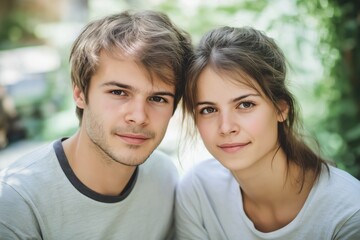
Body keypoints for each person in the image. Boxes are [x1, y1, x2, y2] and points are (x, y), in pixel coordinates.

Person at [0, 10, 192, 239]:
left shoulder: (165, 177)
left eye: (158, 98)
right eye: (119, 92)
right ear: (80, 94)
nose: (139, 116)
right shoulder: (17, 200)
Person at [175, 26, 360, 240]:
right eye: (208, 110)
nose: (226, 127)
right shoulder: (199, 192)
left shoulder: (348, 212)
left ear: (281, 108)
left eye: (245, 105)